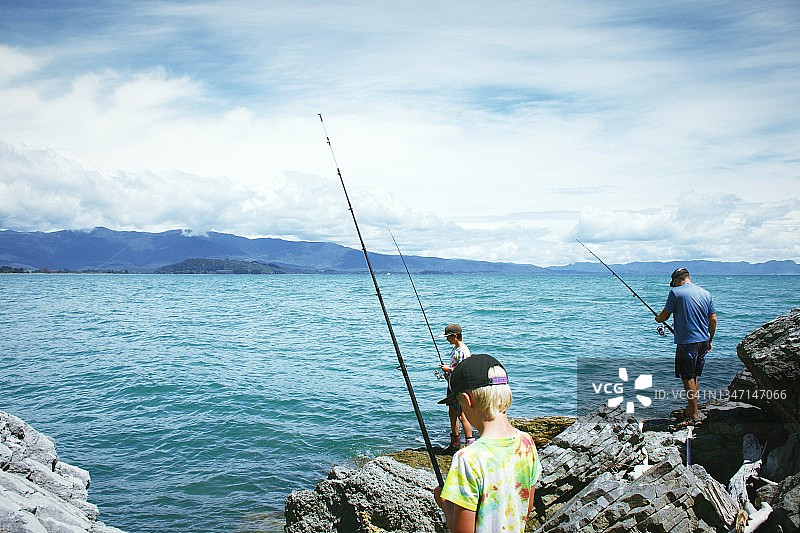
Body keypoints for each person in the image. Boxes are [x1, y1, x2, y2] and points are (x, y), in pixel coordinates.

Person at [433, 354, 541, 533]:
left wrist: (444, 505)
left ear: (467, 400)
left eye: (459, 404)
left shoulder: (466, 459)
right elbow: (526, 507)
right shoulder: (527, 443)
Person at [655, 267, 717, 425]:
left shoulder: (675, 293)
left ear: (677, 280)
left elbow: (664, 315)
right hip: (703, 340)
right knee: (694, 376)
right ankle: (692, 409)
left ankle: (694, 415)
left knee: (687, 377)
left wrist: (657, 319)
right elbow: (713, 320)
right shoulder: (705, 293)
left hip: (687, 342)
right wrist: (710, 340)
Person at [439, 323, 474, 452]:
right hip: (452, 385)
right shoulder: (455, 349)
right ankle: (455, 444)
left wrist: (449, 369)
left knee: (462, 415)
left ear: (455, 336)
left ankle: (470, 444)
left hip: (461, 388)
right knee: (452, 413)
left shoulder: (464, 351)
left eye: (448, 337)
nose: (447, 339)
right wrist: (448, 373)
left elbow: (464, 370)